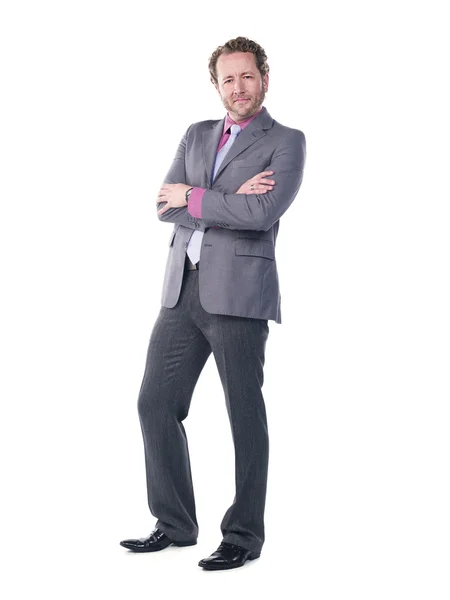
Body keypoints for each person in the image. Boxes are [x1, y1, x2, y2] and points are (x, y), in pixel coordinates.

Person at [120, 36, 306, 571]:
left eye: (247, 76)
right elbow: (162, 204)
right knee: (154, 404)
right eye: (228, 79)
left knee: (243, 418)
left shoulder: (286, 141)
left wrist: (195, 198)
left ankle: (244, 535)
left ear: (264, 79)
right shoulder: (196, 134)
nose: (238, 87)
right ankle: (175, 523)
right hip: (182, 291)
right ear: (217, 85)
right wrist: (223, 201)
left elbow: (263, 213)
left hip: (240, 296)